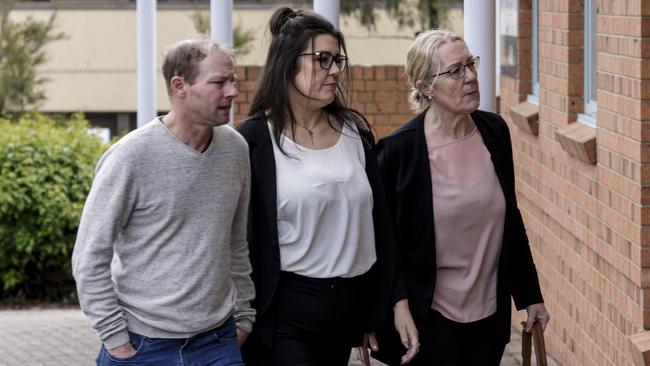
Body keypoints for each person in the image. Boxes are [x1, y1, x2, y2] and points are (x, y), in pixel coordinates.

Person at [236, 7, 418, 366]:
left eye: (338, 60)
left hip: (346, 313)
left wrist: (394, 304)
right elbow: (240, 239)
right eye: (322, 59)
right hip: (284, 313)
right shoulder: (255, 140)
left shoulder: (353, 132)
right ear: (288, 63)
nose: (334, 70)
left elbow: (381, 225)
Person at [371, 29, 550, 366]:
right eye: (455, 71)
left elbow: (510, 220)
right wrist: (396, 306)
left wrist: (530, 297)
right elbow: (385, 246)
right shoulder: (398, 152)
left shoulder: (494, 131)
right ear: (425, 87)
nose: (470, 77)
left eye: (471, 64)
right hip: (428, 320)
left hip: (490, 319)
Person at [72, 39, 255, 366]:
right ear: (179, 86)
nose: (232, 92)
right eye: (218, 82)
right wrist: (116, 339)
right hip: (142, 346)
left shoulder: (235, 150)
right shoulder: (130, 157)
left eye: (232, 81)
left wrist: (243, 317)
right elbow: (90, 254)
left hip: (217, 341)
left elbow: (235, 242)